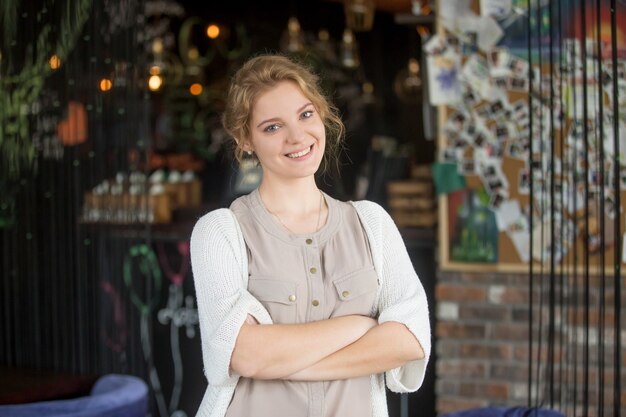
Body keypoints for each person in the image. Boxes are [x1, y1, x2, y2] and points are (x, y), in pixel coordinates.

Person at [190, 54, 430, 417]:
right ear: (245, 139)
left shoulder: (372, 224)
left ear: (322, 115)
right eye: (273, 127)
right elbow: (244, 354)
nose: (297, 136)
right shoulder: (220, 232)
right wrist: (362, 326)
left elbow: (410, 339)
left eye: (305, 115)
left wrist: (286, 363)